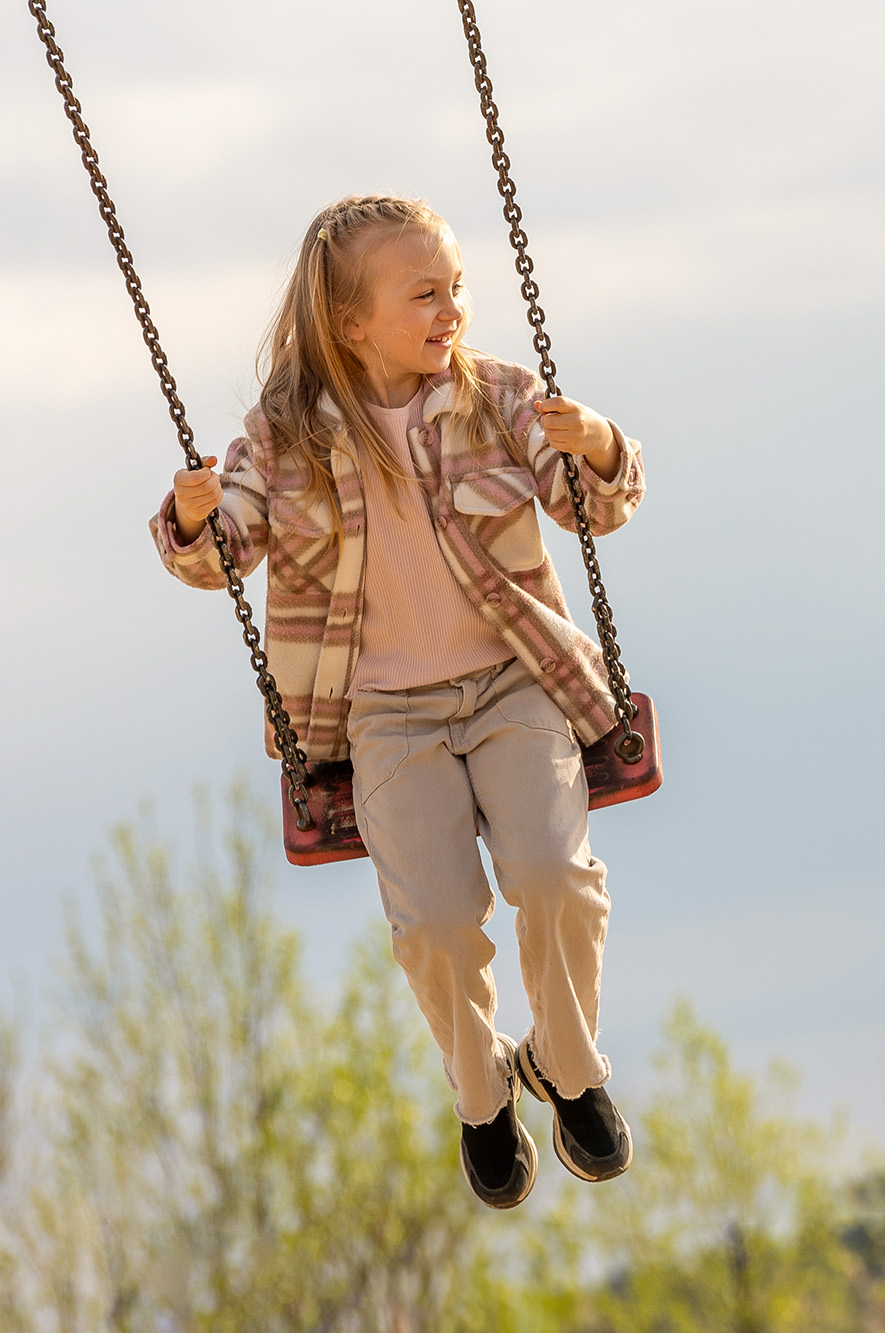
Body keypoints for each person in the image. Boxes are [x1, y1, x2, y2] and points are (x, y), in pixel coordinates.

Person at [151, 194, 642, 1206]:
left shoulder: (497, 398)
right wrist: (197, 518)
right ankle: (482, 1094)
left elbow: (589, 503)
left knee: (553, 874)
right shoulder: (279, 440)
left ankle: (567, 1064)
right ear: (350, 320)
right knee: (433, 923)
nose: (451, 308)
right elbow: (222, 552)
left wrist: (593, 442)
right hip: (384, 716)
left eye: (456, 287)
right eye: (425, 292)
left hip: (516, 682)